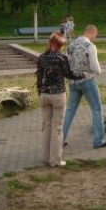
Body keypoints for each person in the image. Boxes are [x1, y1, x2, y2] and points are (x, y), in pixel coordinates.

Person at [36, 32, 86, 167]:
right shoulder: (62, 58)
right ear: (58, 45)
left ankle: (45, 158)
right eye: (61, 45)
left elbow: (39, 77)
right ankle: (56, 160)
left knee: (46, 126)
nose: (61, 48)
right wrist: (82, 75)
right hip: (58, 95)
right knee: (57, 128)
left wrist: (40, 91)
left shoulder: (41, 58)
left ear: (50, 42)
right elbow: (69, 75)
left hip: (44, 95)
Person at [63, 25, 106, 149]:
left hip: (73, 82)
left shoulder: (71, 45)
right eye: (95, 35)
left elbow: (67, 63)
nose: (95, 38)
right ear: (92, 33)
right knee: (97, 109)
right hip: (87, 81)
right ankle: (98, 141)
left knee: (70, 110)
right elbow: (96, 67)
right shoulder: (90, 46)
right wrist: (98, 72)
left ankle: (61, 138)